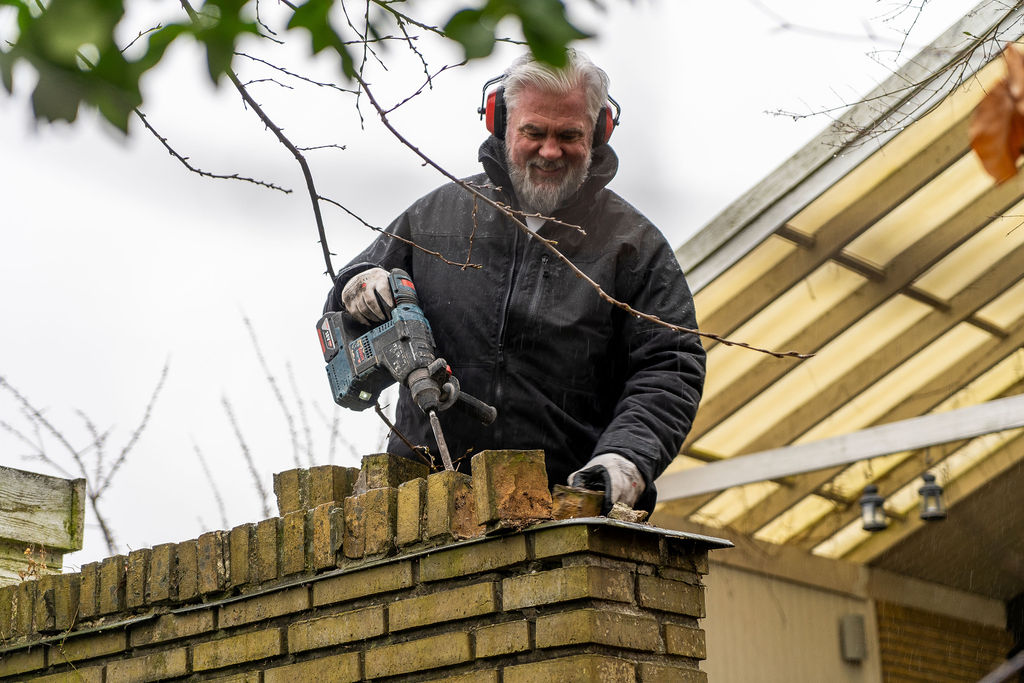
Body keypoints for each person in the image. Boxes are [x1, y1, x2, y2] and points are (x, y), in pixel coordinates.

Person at [324, 49, 705, 514]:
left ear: (599, 132)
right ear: (501, 122)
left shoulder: (633, 245)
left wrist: (626, 460)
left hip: (564, 508)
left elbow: (670, 365)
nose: (550, 151)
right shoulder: (436, 218)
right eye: (534, 132)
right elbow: (342, 305)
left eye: (569, 135)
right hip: (425, 507)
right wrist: (358, 286)